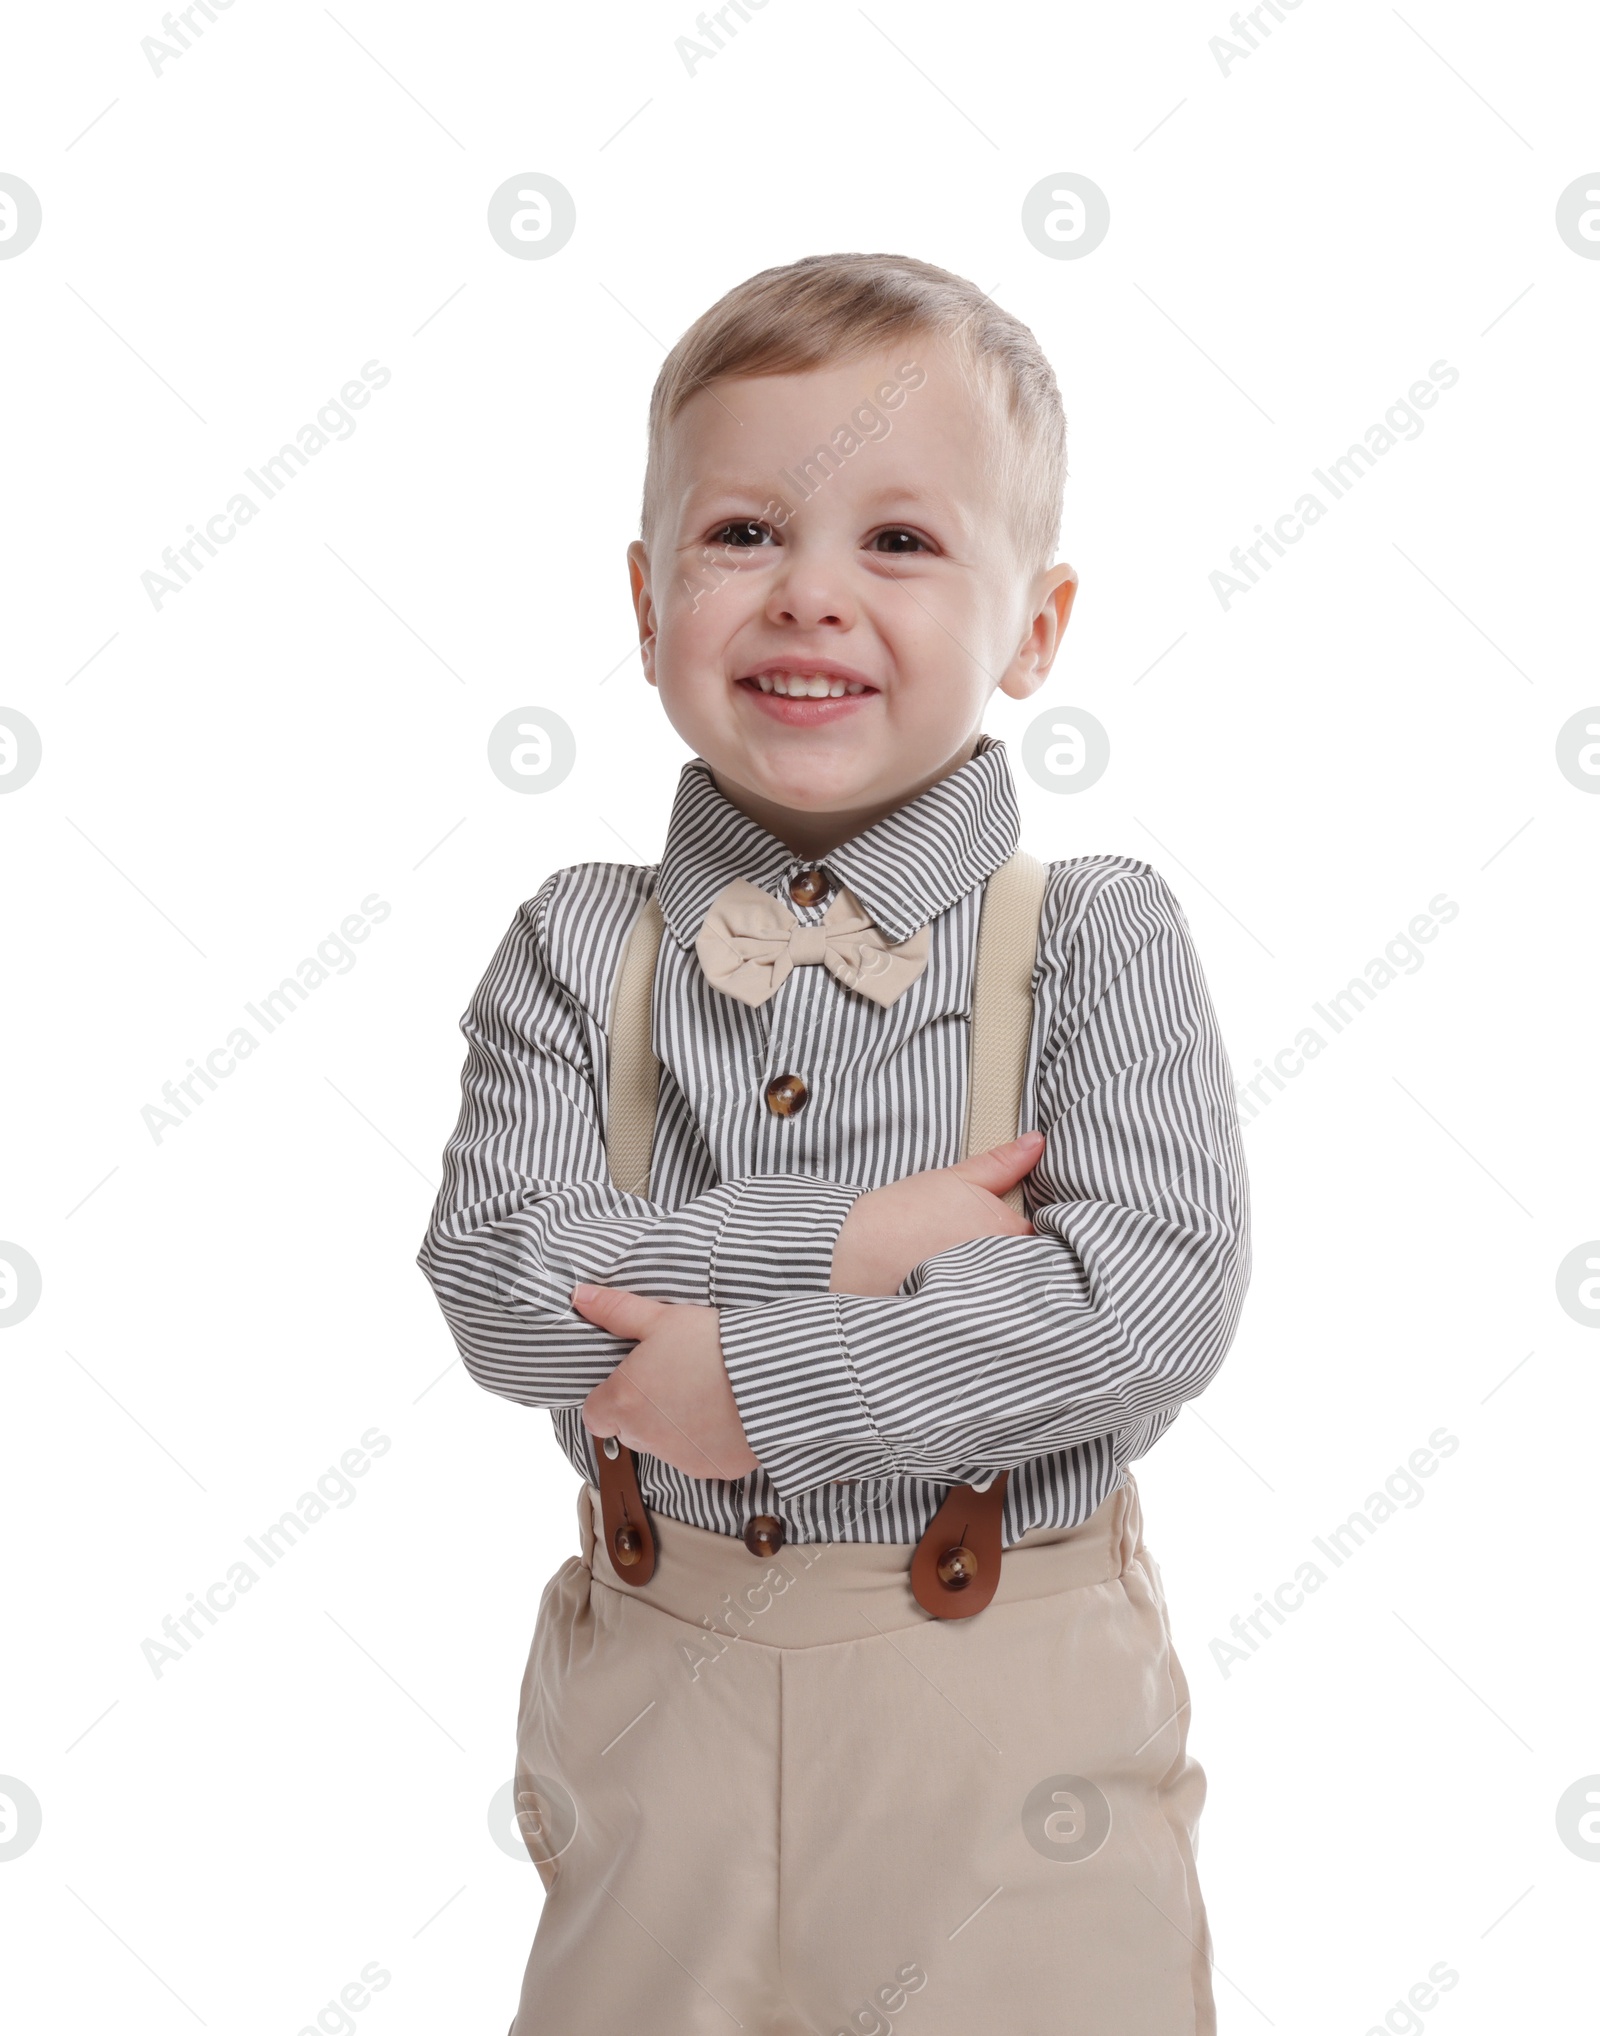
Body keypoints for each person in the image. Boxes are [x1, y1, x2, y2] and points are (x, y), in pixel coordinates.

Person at [416, 251, 1251, 2035]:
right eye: (741, 536)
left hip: (1004, 1720)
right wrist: (854, 1244)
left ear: (1037, 624)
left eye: (899, 542)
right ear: (647, 603)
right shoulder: (581, 942)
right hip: (662, 1712)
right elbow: (502, 1288)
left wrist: (758, 1386)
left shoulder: (1095, 938)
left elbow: (1137, 1308)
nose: (808, 597)